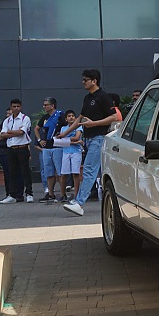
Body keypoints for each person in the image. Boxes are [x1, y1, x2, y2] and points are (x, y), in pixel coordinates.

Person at [59, 70, 117, 216]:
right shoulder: (87, 98)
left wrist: (94, 124)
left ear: (94, 81)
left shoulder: (104, 97)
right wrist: (65, 133)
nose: (83, 82)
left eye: (85, 79)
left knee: (89, 170)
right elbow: (80, 118)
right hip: (89, 139)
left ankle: (79, 202)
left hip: (99, 138)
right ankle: (83, 201)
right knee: (97, 171)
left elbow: (114, 116)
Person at [0, 98, 34, 203]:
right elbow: (3, 134)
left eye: (18, 106)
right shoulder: (7, 120)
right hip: (11, 148)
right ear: (11, 107)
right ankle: (12, 195)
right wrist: (12, 132)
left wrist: (9, 132)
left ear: (21, 107)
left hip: (22, 147)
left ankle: (29, 193)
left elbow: (21, 132)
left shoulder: (25, 118)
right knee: (12, 172)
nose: (16, 108)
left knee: (25, 171)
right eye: (14, 106)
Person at [34, 97, 66, 202]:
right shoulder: (45, 117)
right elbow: (36, 129)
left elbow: (68, 126)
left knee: (60, 171)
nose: (44, 107)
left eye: (46, 105)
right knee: (48, 172)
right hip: (46, 148)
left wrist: (62, 134)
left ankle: (62, 194)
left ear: (52, 106)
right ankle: (51, 194)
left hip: (57, 146)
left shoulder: (61, 115)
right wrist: (39, 140)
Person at [58, 110, 84, 201]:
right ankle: (62, 194)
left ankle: (76, 194)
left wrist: (66, 139)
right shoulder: (63, 129)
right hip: (66, 152)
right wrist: (75, 142)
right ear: (66, 119)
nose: (71, 117)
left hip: (76, 152)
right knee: (63, 174)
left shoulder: (79, 127)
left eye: (73, 115)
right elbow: (62, 142)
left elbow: (77, 137)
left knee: (75, 174)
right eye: (69, 116)